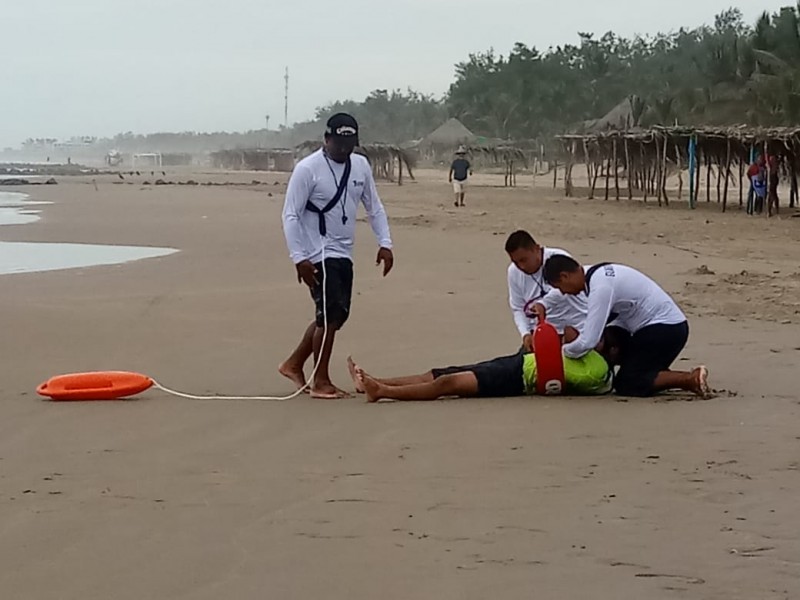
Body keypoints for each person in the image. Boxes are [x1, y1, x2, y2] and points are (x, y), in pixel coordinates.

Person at [280, 113, 395, 399]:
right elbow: (290, 215)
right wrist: (299, 258)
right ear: (326, 139)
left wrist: (385, 243)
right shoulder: (308, 169)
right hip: (317, 251)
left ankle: (293, 364)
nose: (344, 149)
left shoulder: (361, 166)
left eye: (350, 143)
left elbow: (374, 207)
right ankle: (320, 381)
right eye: (339, 143)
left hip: (344, 251)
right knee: (329, 315)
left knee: (335, 315)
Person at [542, 255, 710, 398]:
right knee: (608, 344)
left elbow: (588, 341)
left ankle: (689, 379)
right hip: (649, 327)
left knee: (627, 383)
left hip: (666, 330)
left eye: (560, 287)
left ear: (564, 276)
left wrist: (561, 353)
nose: (563, 293)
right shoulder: (593, 274)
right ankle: (654, 372)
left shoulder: (601, 287)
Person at [347, 326, 629, 402]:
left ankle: (383, 391)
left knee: (448, 382)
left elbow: (568, 333)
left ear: (611, 349)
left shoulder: (598, 369)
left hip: (518, 377)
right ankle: (376, 381)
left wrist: (584, 339)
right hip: (521, 364)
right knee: (443, 373)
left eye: (601, 338)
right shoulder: (603, 379)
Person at [505, 230, 588, 353]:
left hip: (575, 327)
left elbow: (566, 290)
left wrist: (543, 304)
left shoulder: (558, 258)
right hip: (542, 333)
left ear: (537, 249)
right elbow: (518, 307)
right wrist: (525, 334)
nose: (521, 267)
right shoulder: (513, 272)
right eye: (516, 262)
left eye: (524, 260)